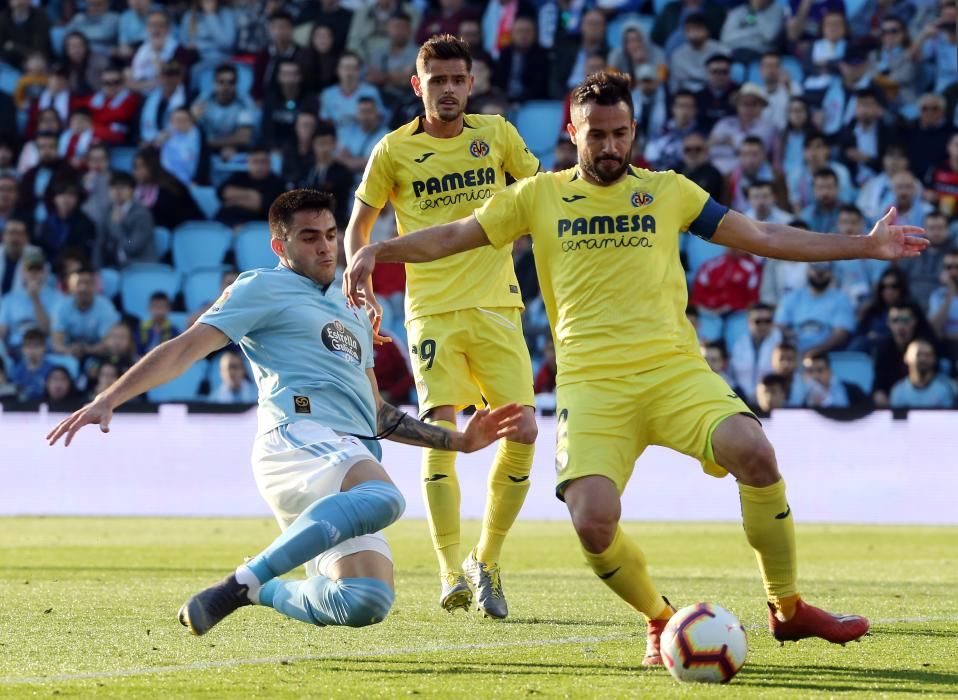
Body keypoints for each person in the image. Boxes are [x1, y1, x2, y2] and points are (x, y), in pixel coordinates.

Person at [345, 72, 928, 661]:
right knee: (592, 522)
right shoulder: (537, 196)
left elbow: (760, 235)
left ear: (634, 132)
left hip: (674, 372)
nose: (609, 147)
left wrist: (866, 245)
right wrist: (377, 250)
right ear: (573, 132)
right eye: (595, 134)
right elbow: (453, 235)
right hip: (591, 386)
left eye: (620, 133)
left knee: (755, 451)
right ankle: (662, 618)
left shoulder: (669, 190)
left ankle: (788, 607)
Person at [47, 189, 522, 639]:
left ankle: (262, 587)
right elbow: (185, 347)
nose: (326, 247)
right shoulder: (261, 286)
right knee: (386, 498)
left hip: (346, 456)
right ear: (281, 244)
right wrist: (109, 398)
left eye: (332, 235)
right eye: (310, 237)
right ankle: (238, 585)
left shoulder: (354, 308)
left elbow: (377, 414)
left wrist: (455, 441)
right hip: (296, 437)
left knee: (365, 601)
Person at [344, 35, 540, 619]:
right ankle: (450, 571)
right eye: (438, 81)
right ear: (418, 85)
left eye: (458, 80)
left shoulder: (498, 136)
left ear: (470, 83)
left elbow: (542, 198)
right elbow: (360, 229)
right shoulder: (392, 152)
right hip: (431, 311)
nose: (449, 90)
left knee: (525, 429)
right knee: (440, 431)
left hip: (498, 306)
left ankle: (488, 558)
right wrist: (363, 278)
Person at [889, 339, 956, 408]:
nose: (923, 359)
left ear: (934, 359)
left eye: (928, 355)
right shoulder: (898, 390)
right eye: (918, 354)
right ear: (906, 357)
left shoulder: (945, 389)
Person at [800, 352, 871, 409]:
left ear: (829, 372)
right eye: (810, 371)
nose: (815, 376)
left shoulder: (853, 390)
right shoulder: (806, 398)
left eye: (820, 370)